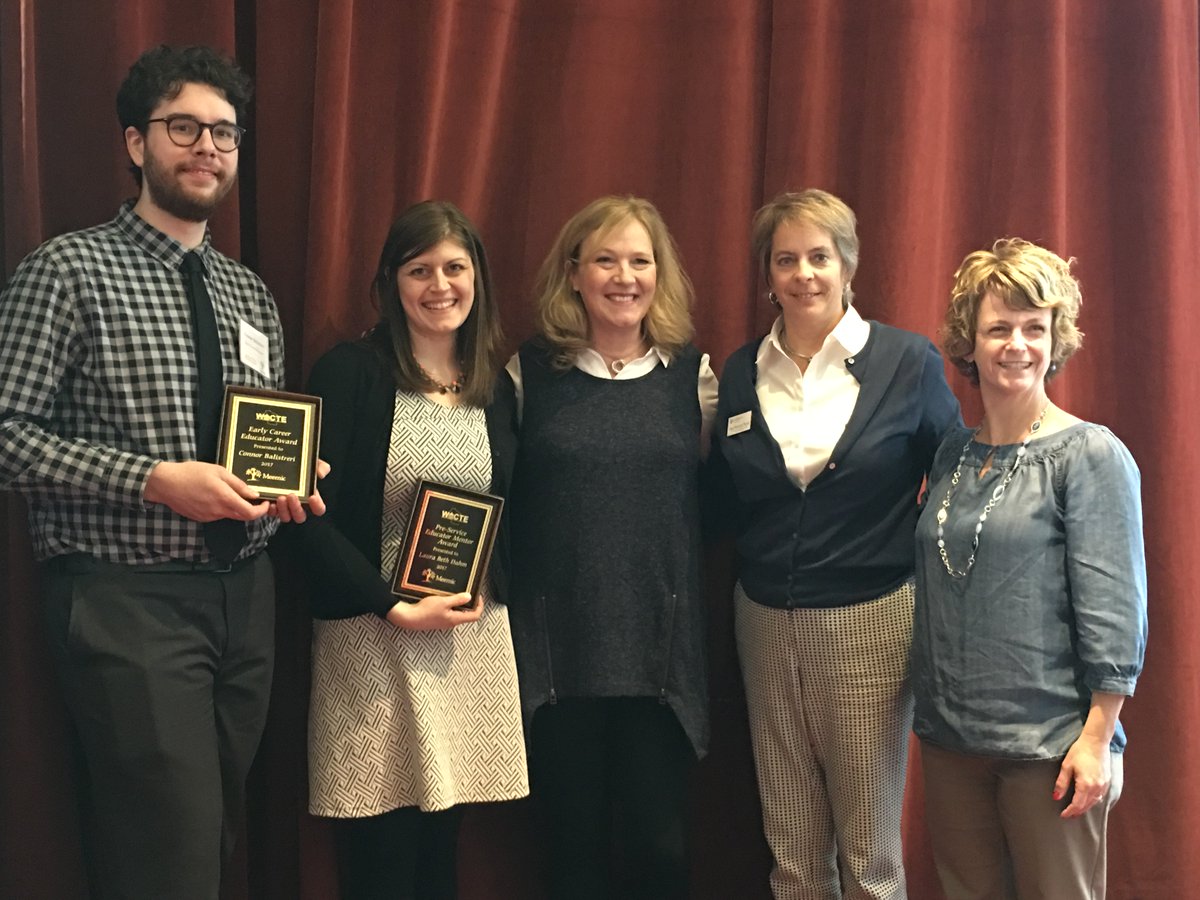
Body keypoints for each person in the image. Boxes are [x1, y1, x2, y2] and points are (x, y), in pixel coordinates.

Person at [0, 45, 325, 898]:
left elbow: (258, 444)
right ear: (137, 143)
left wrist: (290, 480)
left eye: (224, 132)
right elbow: (7, 436)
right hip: (125, 602)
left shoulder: (248, 295)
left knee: (203, 840)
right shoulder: (67, 272)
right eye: (184, 127)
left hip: (246, 599)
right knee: (171, 857)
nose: (208, 148)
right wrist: (152, 479)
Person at [710, 189, 960, 900]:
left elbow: (953, 486)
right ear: (767, 274)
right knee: (791, 848)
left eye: (819, 257)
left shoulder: (908, 363)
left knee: (869, 853)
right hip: (761, 620)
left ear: (848, 265)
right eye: (785, 260)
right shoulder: (740, 372)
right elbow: (721, 498)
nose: (803, 275)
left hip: (870, 620)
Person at [295, 200, 528, 900]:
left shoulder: (494, 387)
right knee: (380, 861)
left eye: (455, 268)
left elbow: (508, 513)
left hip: (461, 642)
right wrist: (391, 605)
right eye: (419, 269)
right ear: (390, 281)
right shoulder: (349, 372)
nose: (440, 285)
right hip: (371, 643)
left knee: (440, 856)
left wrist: (489, 584)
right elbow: (305, 521)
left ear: (478, 278)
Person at [911, 238, 1147, 900]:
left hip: (1052, 748)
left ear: (1055, 338)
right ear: (971, 340)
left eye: (1033, 328)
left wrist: (1098, 738)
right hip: (952, 742)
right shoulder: (953, 452)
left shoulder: (1089, 454)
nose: (1017, 344)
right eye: (998, 328)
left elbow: (1115, 610)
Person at [506, 195, 716, 900]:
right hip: (560, 651)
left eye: (639, 260)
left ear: (661, 274)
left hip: (661, 654)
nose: (623, 276)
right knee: (571, 856)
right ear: (573, 273)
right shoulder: (526, 375)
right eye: (605, 259)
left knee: (661, 852)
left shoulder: (698, 380)